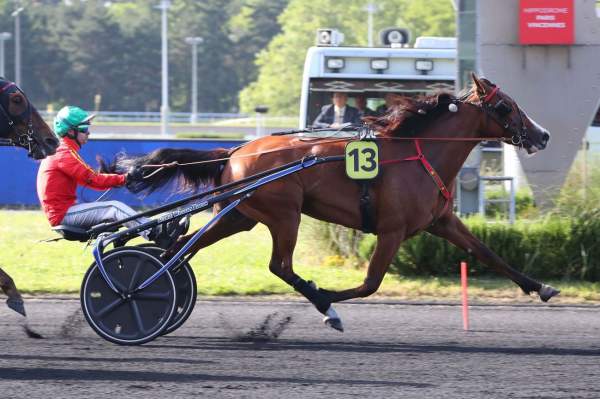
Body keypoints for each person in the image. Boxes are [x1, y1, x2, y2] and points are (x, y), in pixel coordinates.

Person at [36, 106, 185, 247]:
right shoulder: (63, 154)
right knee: (113, 207)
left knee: (114, 209)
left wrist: (122, 179)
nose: (88, 132)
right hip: (64, 215)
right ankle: (156, 233)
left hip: (66, 212)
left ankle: (135, 233)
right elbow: (93, 179)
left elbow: (93, 179)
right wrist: (125, 178)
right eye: (84, 128)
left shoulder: (65, 151)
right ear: (70, 132)